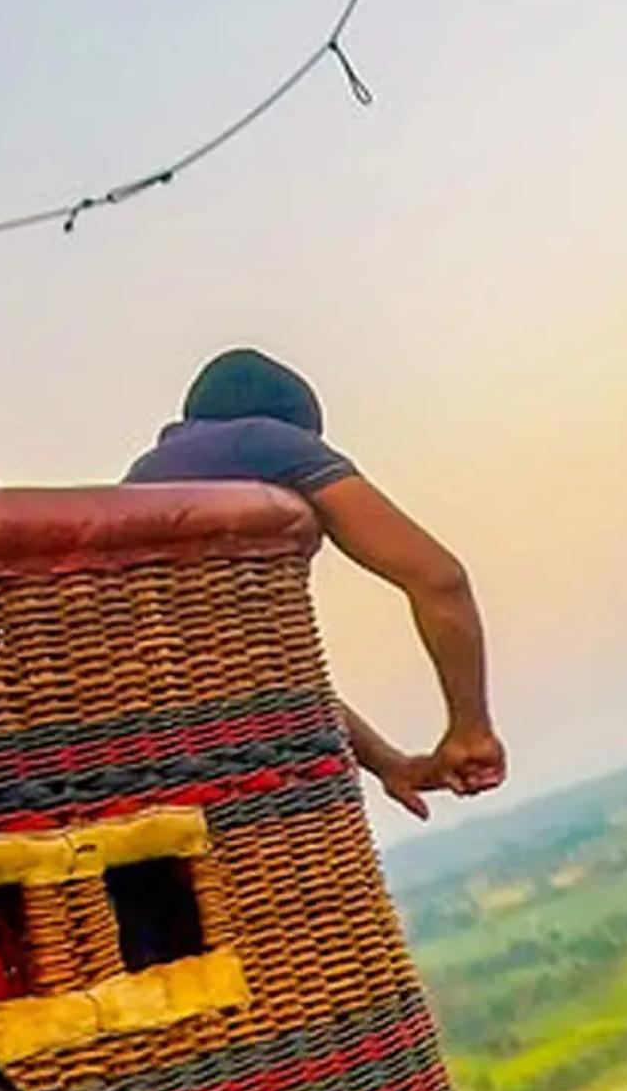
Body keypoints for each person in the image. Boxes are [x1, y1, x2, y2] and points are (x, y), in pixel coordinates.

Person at [126, 348, 505, 820]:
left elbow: (276, 676)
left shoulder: (141, 484)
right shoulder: (266, 440)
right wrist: (471, 730)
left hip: (139, 773)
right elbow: (439, 579)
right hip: (247, 780)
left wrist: (389, 764)